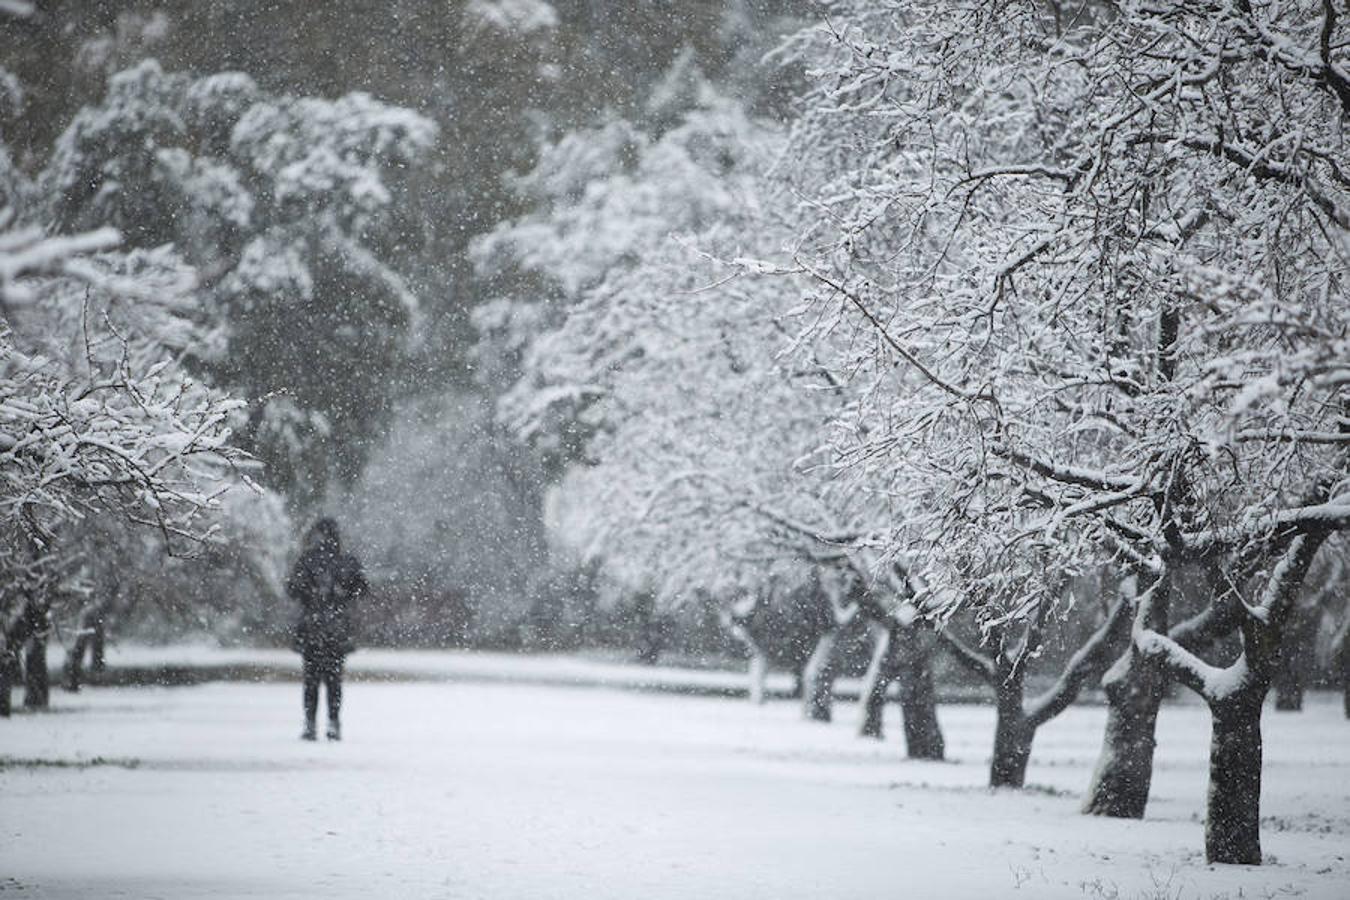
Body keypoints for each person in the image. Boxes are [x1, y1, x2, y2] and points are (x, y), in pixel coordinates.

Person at [287, 518, 365, 741]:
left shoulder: (308, 560)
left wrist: (310, 595)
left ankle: (311, 723)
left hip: (312, 629)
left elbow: (292, 590)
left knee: (311, 681)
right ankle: (333, 722)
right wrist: (342, 595)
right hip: (336, 630)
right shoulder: (346, 561)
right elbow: (362, 589)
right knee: (334, 681)